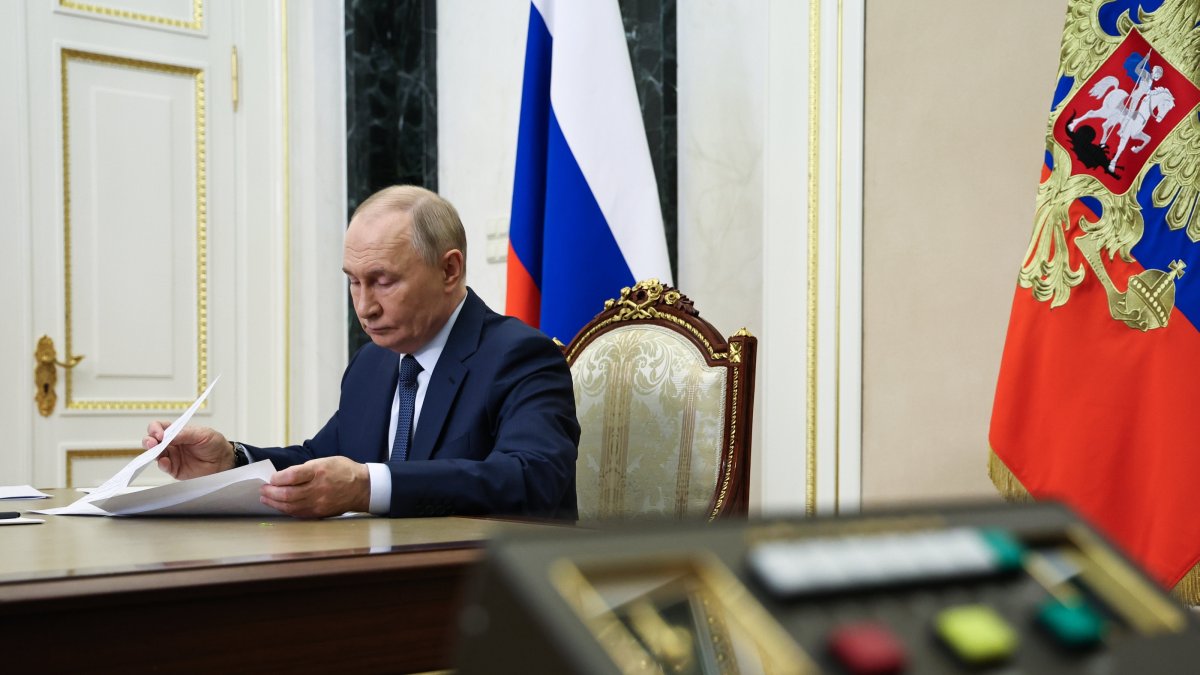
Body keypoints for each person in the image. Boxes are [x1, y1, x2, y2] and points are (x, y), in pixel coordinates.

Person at [143, 185, 580, 519]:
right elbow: (323, 461)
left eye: (383, 281)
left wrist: (367, 486)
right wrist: (234, 459)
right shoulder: (372, 362)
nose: (365, 306)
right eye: (353, 281)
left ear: (450, 270)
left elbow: (532, 478)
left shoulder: (521, 356)